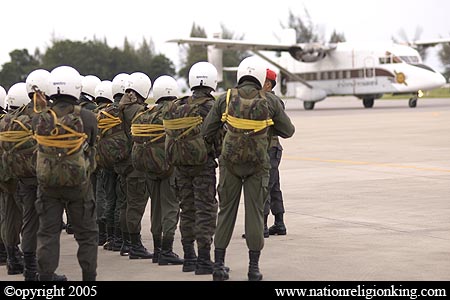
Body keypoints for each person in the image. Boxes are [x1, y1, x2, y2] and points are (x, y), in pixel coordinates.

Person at [202, 56, 295, 281]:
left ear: (240, 75)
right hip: (258, 165)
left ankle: (219, 266)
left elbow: (206, 131)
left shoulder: (225, 99)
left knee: (226, 213)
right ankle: (253, 269)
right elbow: (288, 131)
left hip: (230, 164)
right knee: (254, 213)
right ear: (261, 78)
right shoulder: (270, 101)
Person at [34, 65, 98, 281]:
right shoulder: (88, 117)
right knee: (87, 234)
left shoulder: (40, 118)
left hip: (48, 187)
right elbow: (92, 145)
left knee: (48, 234)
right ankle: (88, 280)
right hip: (79, 187)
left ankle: (45, 279)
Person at [163, 62, 218, 275]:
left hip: (180, 167)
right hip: (203, 167)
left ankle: (189, 258)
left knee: (187, 210)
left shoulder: (177, 106)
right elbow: (219, 138)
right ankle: (204, 259)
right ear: (212, 82)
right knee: (205, 210)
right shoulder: (211, 107)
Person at [0, 70, 49, 281]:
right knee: (32, 220)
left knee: (9, 215)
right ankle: (32, 265)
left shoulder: (11, 118)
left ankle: (12, 258)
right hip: (32, 176)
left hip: (8, 173)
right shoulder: (42, 117)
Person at [131, 75, 182, 265]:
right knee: (170, 208)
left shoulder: (146, 114)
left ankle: (157, 250)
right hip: (169, 168)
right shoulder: (176, 113)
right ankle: (167, 251)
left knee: (156, 209)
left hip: (150, 168)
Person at [115, 72, 153, 260]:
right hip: (135, 165)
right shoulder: (138, 111)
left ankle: (125, 243)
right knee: (135, 206)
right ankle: (135, 245)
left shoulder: (119, 107)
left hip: (121, 164)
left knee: (125, 204)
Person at [263, 69, 287, 236]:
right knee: (274, 186)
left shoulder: (269, 101)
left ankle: (262, 226)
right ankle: (279, 223)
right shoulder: (277, 101)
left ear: (268, 84)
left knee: (264, 187)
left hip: (268, 149)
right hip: (274, 148)